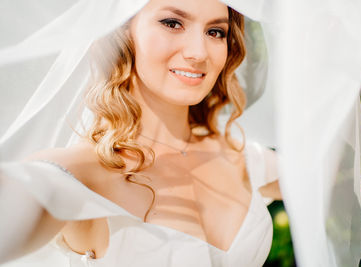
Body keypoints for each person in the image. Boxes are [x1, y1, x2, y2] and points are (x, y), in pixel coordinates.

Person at [0, 0, 282, 266]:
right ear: (122, 31)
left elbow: (322, 171)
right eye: (172, 23)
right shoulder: (77, 173)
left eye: (215, 31)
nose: (199, 52)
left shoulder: (241, 156)